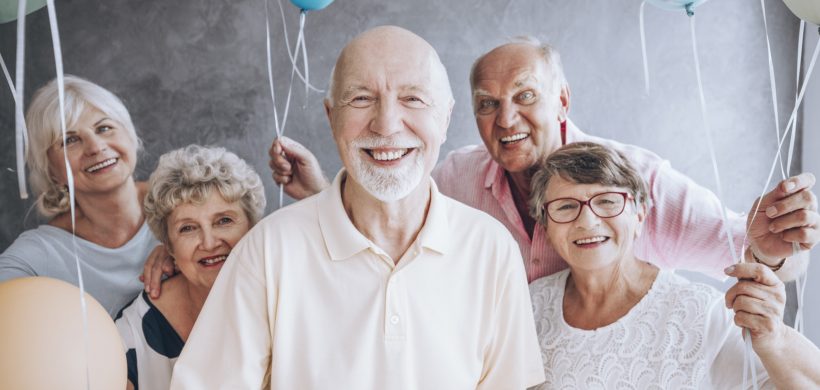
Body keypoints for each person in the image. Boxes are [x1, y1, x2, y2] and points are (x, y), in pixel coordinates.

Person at [170, 26, 545, 389]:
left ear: (445, 118)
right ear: (332, 117)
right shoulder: (268, 250)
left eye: (413, 98)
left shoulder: (491, 249)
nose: (386, 125)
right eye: (362, 98)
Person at [268, 38, 819, 283]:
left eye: (525, 96)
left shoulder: (638, 180)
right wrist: (321, 192)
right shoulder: (455, 178)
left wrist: (773, 251)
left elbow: (758, 255)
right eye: (488, 104)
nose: (506, 119)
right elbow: (384, 228)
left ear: (563, 100)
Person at [527, 142, 820, 389]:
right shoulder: (527, 306)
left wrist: (775, 339)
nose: (587, 221)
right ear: (545, 227)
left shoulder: (700, 313)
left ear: (640, 214)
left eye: (607, 201)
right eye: (566, 206)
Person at [0, 76, 168, 316]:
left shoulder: (185, 201)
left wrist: (182, 251)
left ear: (130, 136)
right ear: (51, 171)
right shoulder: (44, 251)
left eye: (104, 128)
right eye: (70, 140)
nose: (96, 147)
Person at [115, 145, 265, 390]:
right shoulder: (131, 335)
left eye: (224, 221)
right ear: (169, 247)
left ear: (253, 228)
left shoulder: (284, 300)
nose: (209, 242)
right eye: (188, 228)